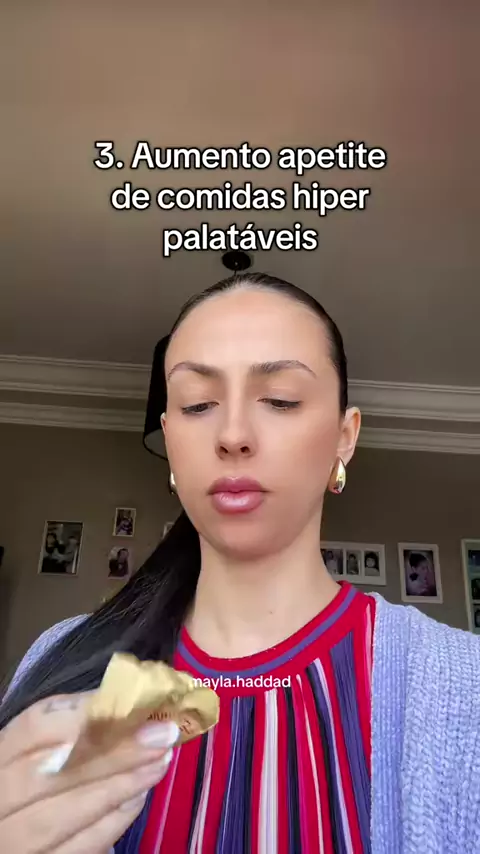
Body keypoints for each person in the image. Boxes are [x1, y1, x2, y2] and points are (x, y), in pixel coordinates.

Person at [0, 272, 478, 854]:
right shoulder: (61, 658)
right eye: (197, 404)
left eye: (280, 399)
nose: (232, 435)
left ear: (344, 438)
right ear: (169, 441)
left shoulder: (463, 685)